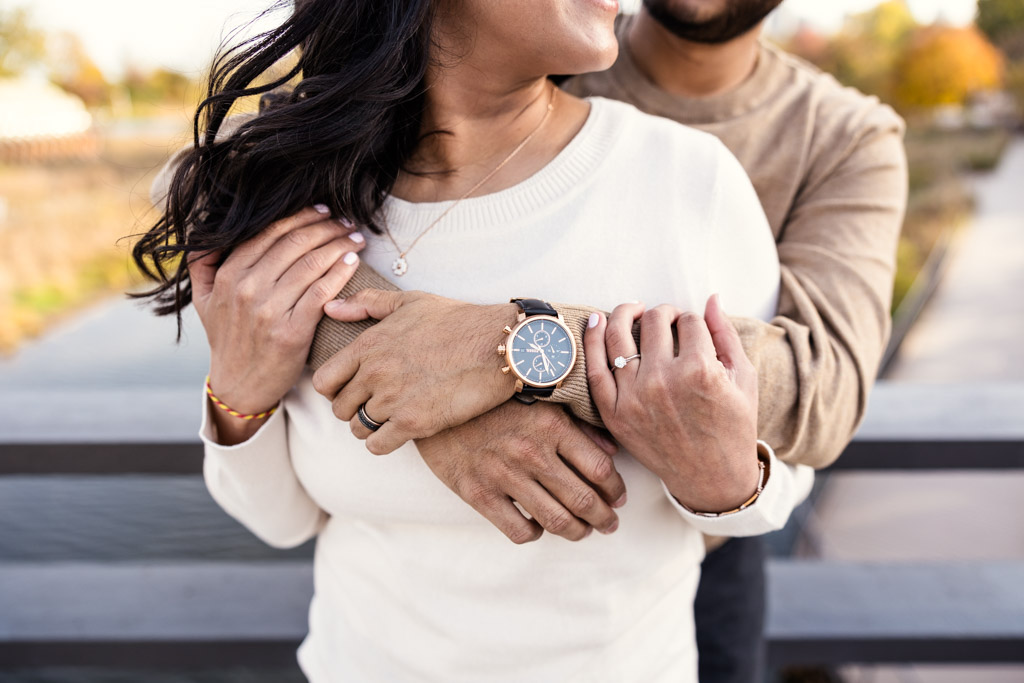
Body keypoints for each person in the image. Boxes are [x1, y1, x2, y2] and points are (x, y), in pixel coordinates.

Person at [136, 0, 815, 680]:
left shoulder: (686, 180)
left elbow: (772, 483)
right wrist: (238, 394)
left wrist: (727, 480)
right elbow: (279, 521)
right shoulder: (288, 204)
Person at [292, 2, 907, 681]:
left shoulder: (831, 137)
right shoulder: (539, 57)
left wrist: (513, 348)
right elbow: (223, 187)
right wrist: (436, 405)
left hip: (697, 534)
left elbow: (819, 388)